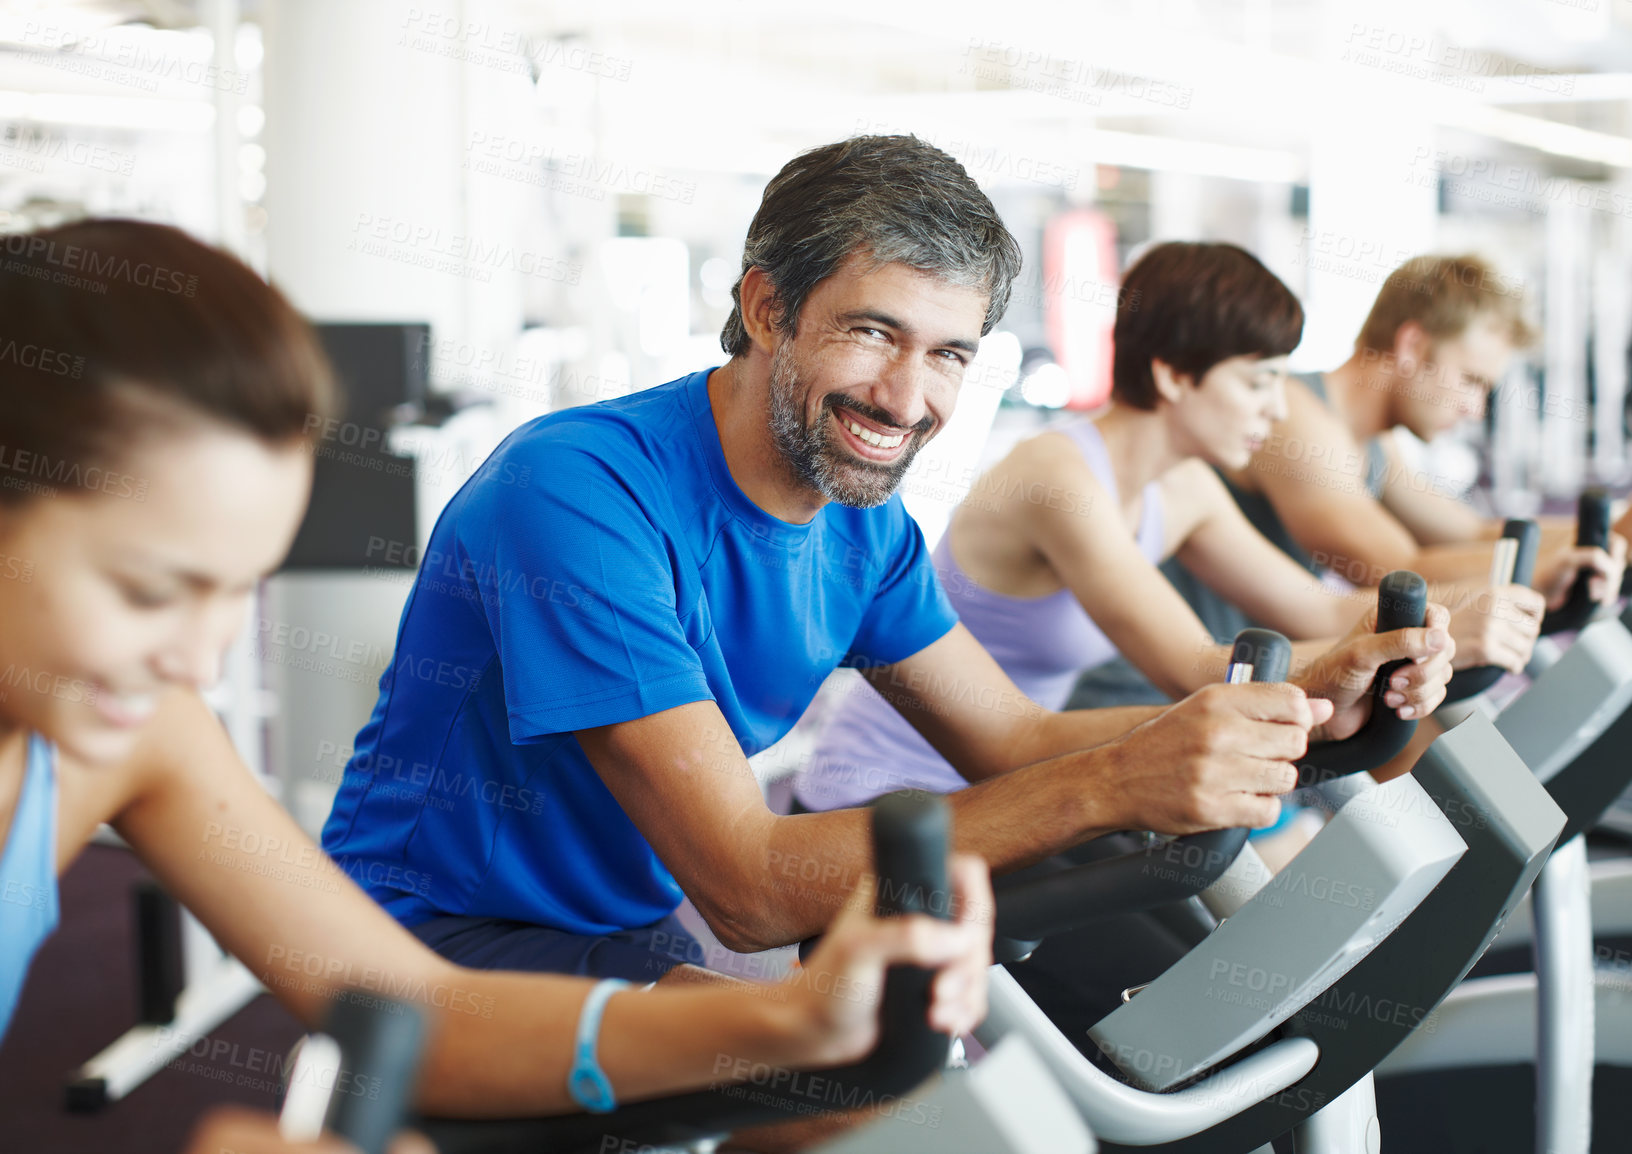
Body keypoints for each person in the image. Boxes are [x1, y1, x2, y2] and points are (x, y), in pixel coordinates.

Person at [319, 134, 1457, 982]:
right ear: (767, 307)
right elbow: (748, 881)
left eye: (949, 352)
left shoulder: (862, 525)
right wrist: (1114, 782)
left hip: (625, 918)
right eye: (871, 332)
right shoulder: (578, 495)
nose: (907, 399)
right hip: (428, 938)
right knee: (850, 1106)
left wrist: (1304, 703)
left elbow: (1008, 739)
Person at [0, 219, 995, 1149]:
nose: (202, 663)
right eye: (145, 589)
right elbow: (743, 880)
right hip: (465, 907)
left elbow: (417, 1007)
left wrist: (790, 1014)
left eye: (234, 594)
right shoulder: (580, 482)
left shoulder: (144, 733)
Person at [791, 241, 1543, 816]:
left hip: (1011, 790)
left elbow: (1316, 610)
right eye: (1256, 381)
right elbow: (1193, 668)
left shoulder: (1182, 486)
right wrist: (1377, 651)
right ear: (1176, 375)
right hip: (888, 803)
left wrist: (1439, 623)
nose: (1278, 409)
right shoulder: (1058, 477)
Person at [1068, 251, 1632, 710]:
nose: (1475, 408)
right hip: (1159, 692)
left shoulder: (1370, 445)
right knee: (1426, 766)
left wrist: (1612, 534)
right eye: (1471, 380)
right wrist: (1604, 546)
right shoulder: (1300, 426)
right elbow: (1399, 570)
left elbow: (1472, 530)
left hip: (1241, 677)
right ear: (1413, 346)